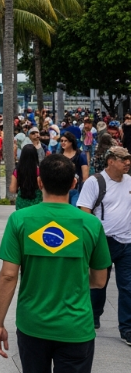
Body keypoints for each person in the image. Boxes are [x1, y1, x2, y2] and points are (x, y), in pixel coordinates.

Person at [0, 154, 111, 373]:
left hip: (32, 325)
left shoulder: (19, 219)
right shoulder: (92, 224)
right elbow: (99, 280)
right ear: (74, 183)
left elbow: (8, 275)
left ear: (40, 183)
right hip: (76, 327)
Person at [77, 146, 131, 343]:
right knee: (99, 283)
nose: (127, 162)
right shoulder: (95, 182)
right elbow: (84, 211)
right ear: (110, 161)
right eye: (122, 159)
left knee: (128, 286)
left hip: (127, 242)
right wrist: (93, 238)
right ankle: (93, 316)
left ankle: (127, 328)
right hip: (103, 241)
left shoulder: (130, 182)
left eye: (128, 159)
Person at [60, 131, 89, 206]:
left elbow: (85, 176)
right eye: (61, 141)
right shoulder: (59, 155)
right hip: (61, 189)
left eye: (65, 141)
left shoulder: (80, 155)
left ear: (71, 142)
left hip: (76, 189)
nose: (63, 143)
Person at [10, 145, 43, 210]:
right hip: (37, 201)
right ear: (35, 155)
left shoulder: (17, 171)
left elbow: (12, 189)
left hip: (22, 200)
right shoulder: (40, 171)